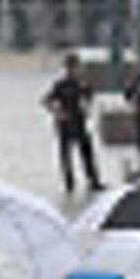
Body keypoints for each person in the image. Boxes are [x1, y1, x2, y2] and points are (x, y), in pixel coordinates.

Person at [44, 54, 99, 196]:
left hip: (80, 122)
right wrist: (58, 113)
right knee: (65, 154)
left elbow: (89, 98)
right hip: (65, 124)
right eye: (72, 67)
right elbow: (46, 101)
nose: (74, 70)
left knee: (87, 151)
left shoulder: (82, 84)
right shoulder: (61, 85)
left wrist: (87, 107)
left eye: (76, 67)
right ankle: (69, 183)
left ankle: (93, 180)